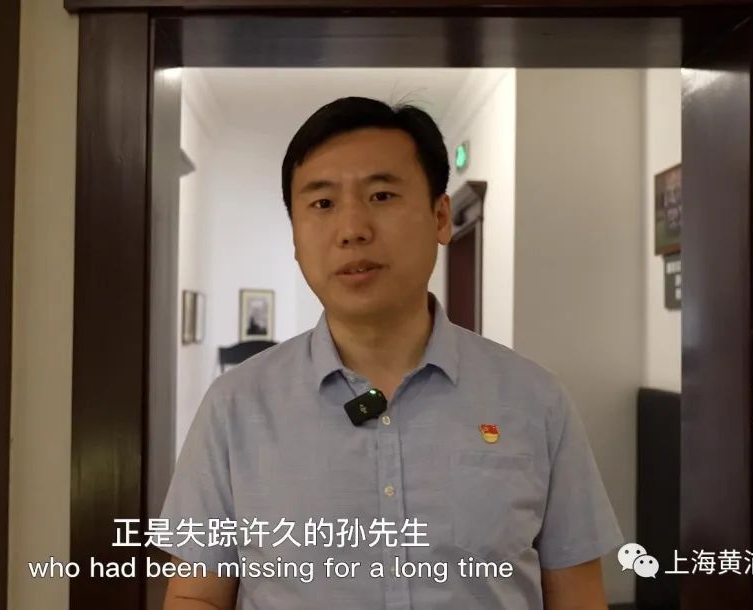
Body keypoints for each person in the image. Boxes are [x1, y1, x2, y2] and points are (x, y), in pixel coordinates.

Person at [160, 96, 623, 609]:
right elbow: (197, 596)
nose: (352, 230)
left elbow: (578, 595)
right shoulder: (234, 408)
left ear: (441, 217)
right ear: (295, 236)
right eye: (322, 204)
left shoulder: (536, 402)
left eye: (381, 195)